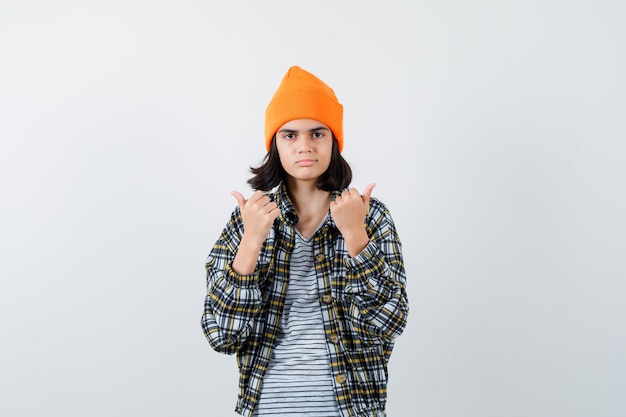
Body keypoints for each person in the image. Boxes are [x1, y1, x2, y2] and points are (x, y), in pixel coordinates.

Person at [201, 65, 409, 417]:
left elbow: (390, 321)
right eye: (290, 135)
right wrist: (252, 241)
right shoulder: (249, 218)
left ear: (333, 141)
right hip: (267, 407)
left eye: (317, 134)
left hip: (352, 409)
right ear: (275, 144)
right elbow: (222, 335)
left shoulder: (369, 215)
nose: (304, 147)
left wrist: (355, 235)